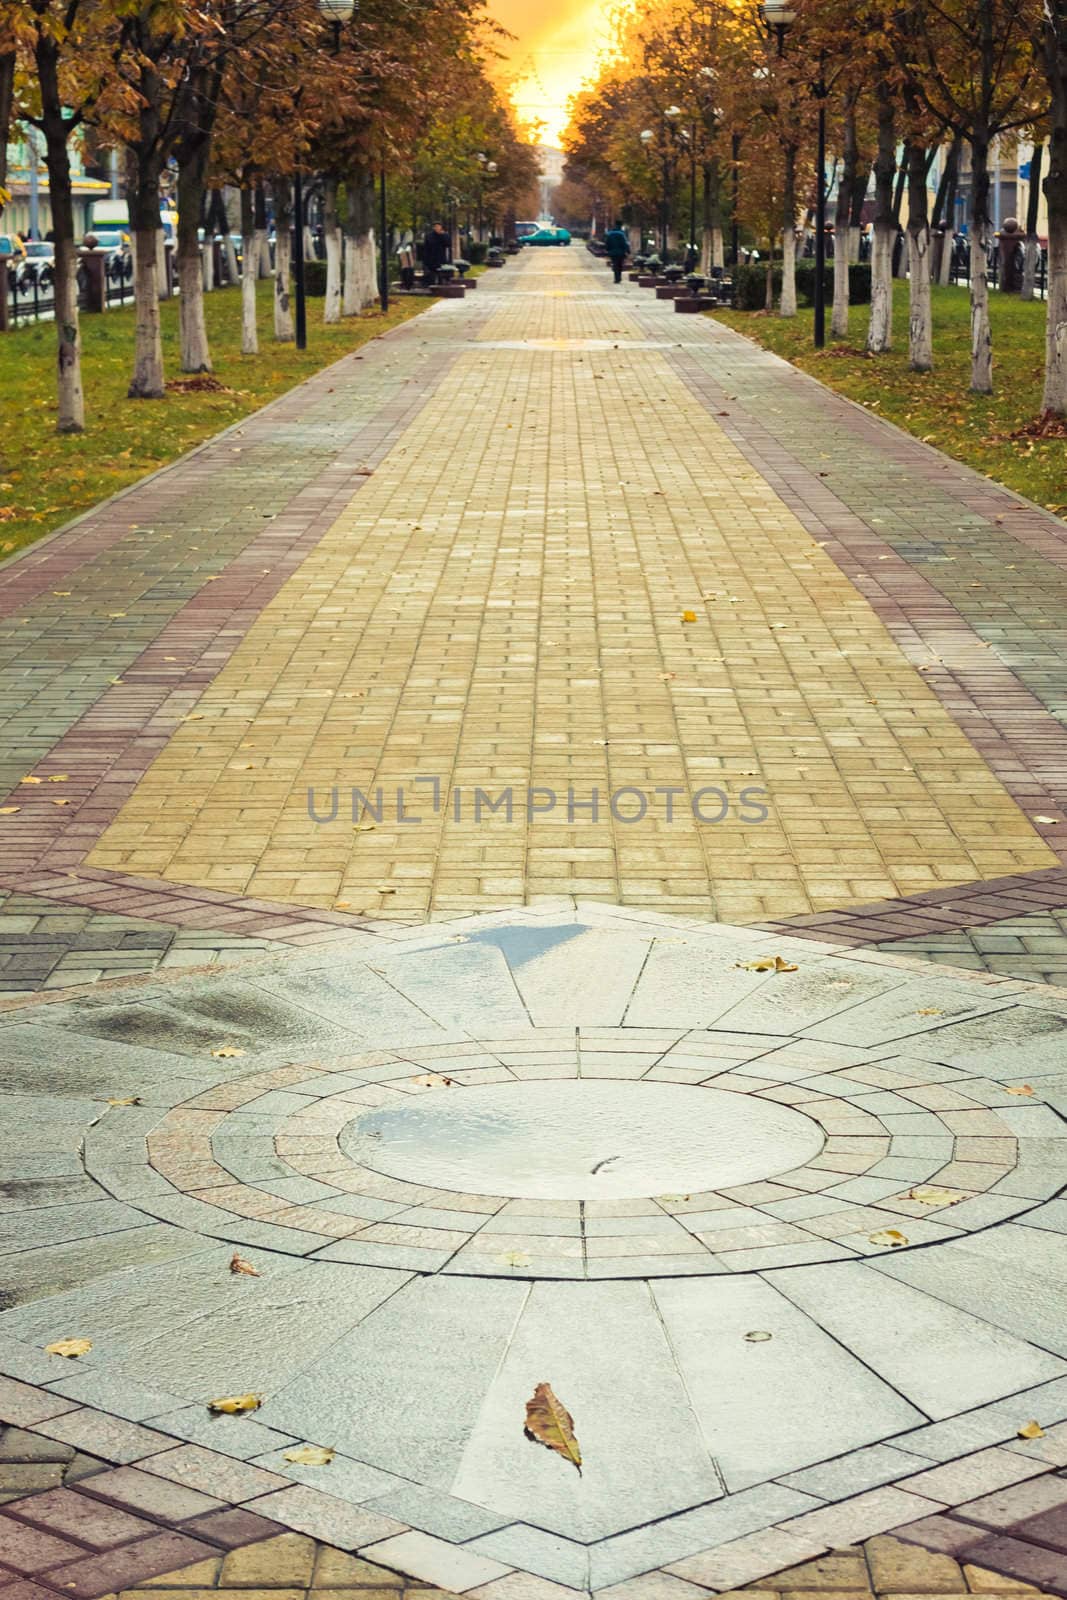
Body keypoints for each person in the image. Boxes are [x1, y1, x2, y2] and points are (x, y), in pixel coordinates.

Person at [421, 221, 450, 287]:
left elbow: (448, 244)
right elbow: (427, 246)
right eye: (436, 226)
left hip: (441, 257)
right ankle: (431, 285)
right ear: (433, 227)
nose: (437, 228)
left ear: (441, 227)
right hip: (431, 257)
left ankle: (441, 284)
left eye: (439, 226)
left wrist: (443, 236)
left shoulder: (444, 235)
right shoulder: (429, 235)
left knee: (441, 273)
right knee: (431, 273)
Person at [603, 219, 629, 283]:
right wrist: (627, 250)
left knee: (615, 264)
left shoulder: (610, 234)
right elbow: (625, 243)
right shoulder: (622, 234)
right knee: (620, 264)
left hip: (613, 252)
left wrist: (607, 250)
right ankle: (619, 277)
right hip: (621, 252)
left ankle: (616, 278)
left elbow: (607, 243)